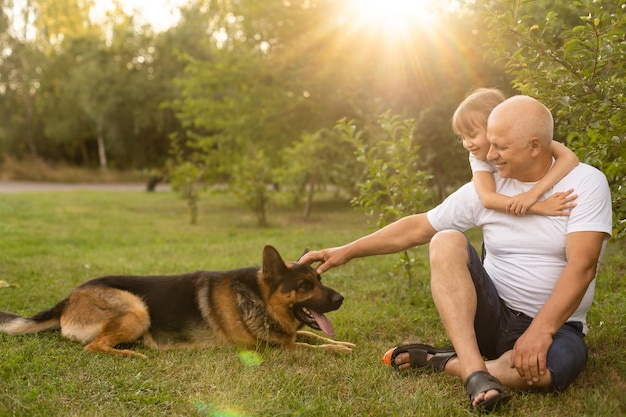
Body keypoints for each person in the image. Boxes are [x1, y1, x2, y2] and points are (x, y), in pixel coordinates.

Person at [299, 95, 613, 412]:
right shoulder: (488, 188)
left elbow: (582, 265)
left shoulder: (585, 183)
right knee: (446, 239)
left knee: (548, 371)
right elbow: (418, 228)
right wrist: (346, 251)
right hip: (491, 314)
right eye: (490, 144)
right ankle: (476, 371)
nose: (490, 155)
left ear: (534, 146)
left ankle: (443, 362)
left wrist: (540, 332)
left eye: (500, 147)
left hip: (559, 324)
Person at [453, 88, 580, 216]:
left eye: (472, 135)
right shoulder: (477, 157)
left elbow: (570, 158)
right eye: (463, 137)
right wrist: (539, 207)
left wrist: (533, 194)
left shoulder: (525, 141)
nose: (467, 144)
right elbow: (487, 198)